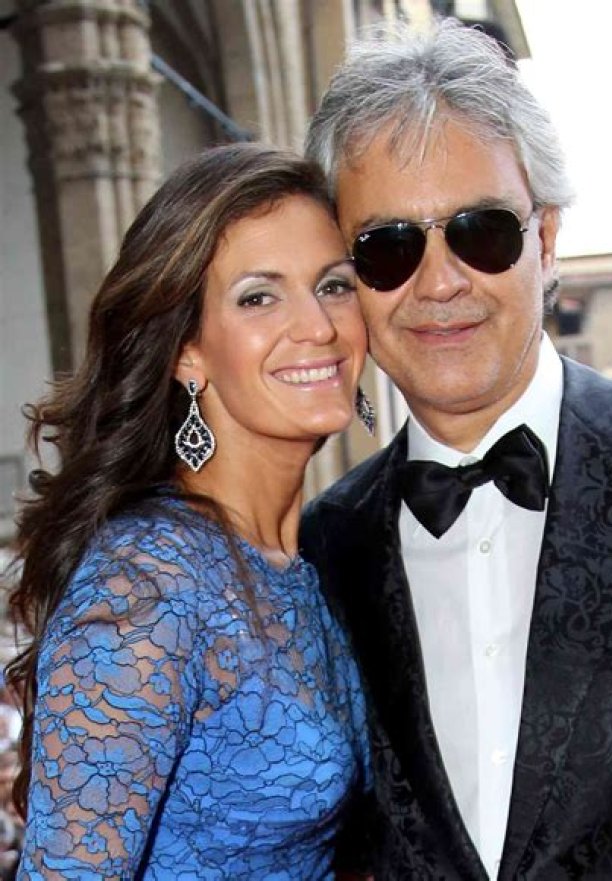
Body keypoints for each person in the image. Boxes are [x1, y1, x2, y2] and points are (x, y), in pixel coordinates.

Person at [301, 17, 612, 881]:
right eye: (389, 248)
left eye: (481, 231)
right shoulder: (323, 547)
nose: (440, 282)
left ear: (547, 238)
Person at [6, 142, 372, 879]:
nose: (319, 326)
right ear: (187, 352)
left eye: (333, 285)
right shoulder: (145, 585)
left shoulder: (307, 556)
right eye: (259, 297)